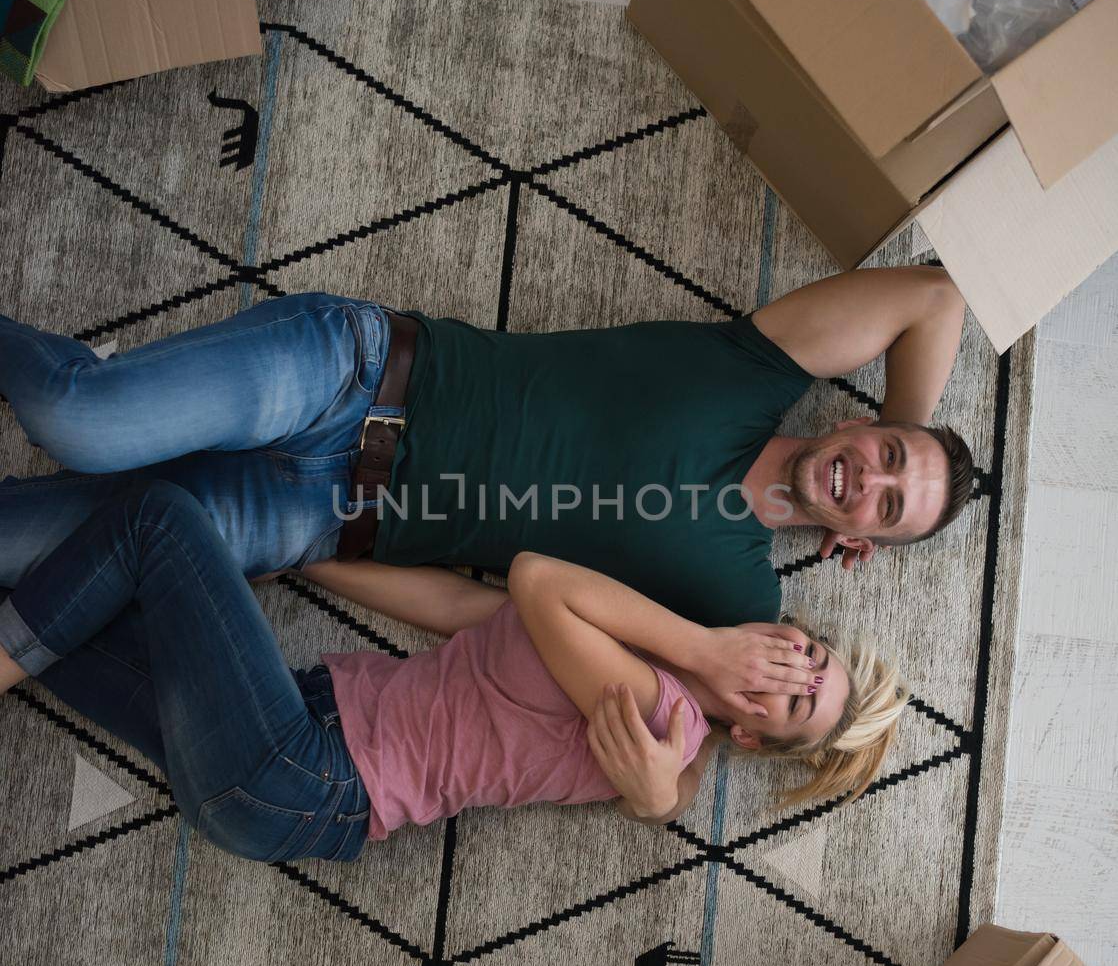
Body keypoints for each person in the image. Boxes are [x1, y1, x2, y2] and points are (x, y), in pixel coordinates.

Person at [0, 264, 971, 645]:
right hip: (356, 374)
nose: (870, 478)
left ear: (863, 537)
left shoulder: (735, 606)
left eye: (886, 504)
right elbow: (933, 297)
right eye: (886, 454)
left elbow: (493, 615)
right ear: (856, 422)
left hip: (321, 521)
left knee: (27, 550)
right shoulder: (755, 368)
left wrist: (315, 560)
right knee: (82, 423)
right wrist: (915, 423)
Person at [0, 482, 908, 862]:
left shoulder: (661, 707)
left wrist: (705, 654)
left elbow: (534, 578)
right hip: (295, 739)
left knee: (158, 519)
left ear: (753, 733)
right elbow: (461, 612)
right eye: (812, 657)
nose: (792, 668)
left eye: (799, 702)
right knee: (61, 605)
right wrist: (306, 555)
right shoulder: (653, 663)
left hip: (304, 775)